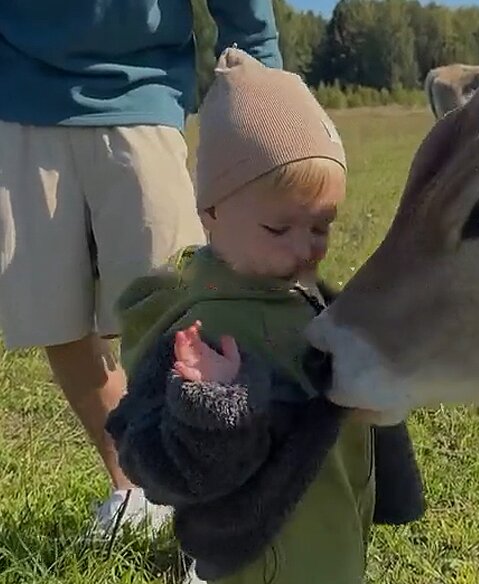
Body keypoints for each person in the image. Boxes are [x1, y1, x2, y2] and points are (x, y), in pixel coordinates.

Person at [103, 49, 423, 584]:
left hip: (324, 532)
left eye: (322, 227)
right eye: (281, 227)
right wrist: (211, 403)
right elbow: (164, 466)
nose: (306, 247)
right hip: (272, 557)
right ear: (211, 211)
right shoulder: (206, 327)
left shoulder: (287, 288)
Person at [0, 1, 282, 539]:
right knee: (57, 320)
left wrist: (269, 97)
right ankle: (137, 488)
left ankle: (220, 515)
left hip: (140, 96)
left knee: (182, 321)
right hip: (15, 105)